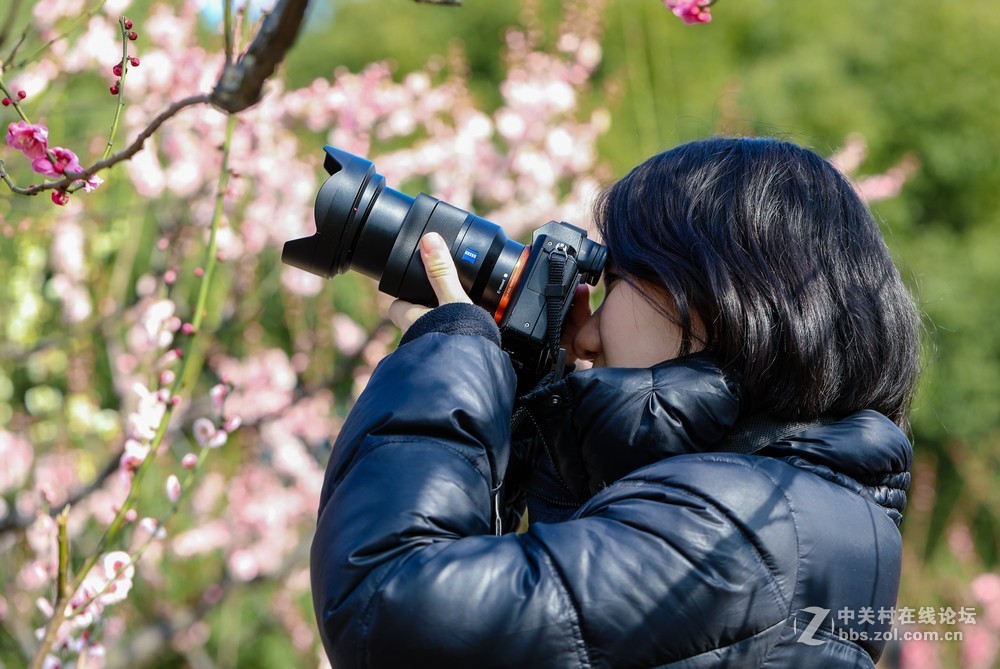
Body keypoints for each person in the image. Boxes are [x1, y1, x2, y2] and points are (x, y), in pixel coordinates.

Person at [310, 137, 921, 668]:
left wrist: (450, 356)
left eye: (615, 282)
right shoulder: (795, 510)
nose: (589, 331)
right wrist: (541, 426)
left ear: (717, 295)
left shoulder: (748, 524)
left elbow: (389, 612)